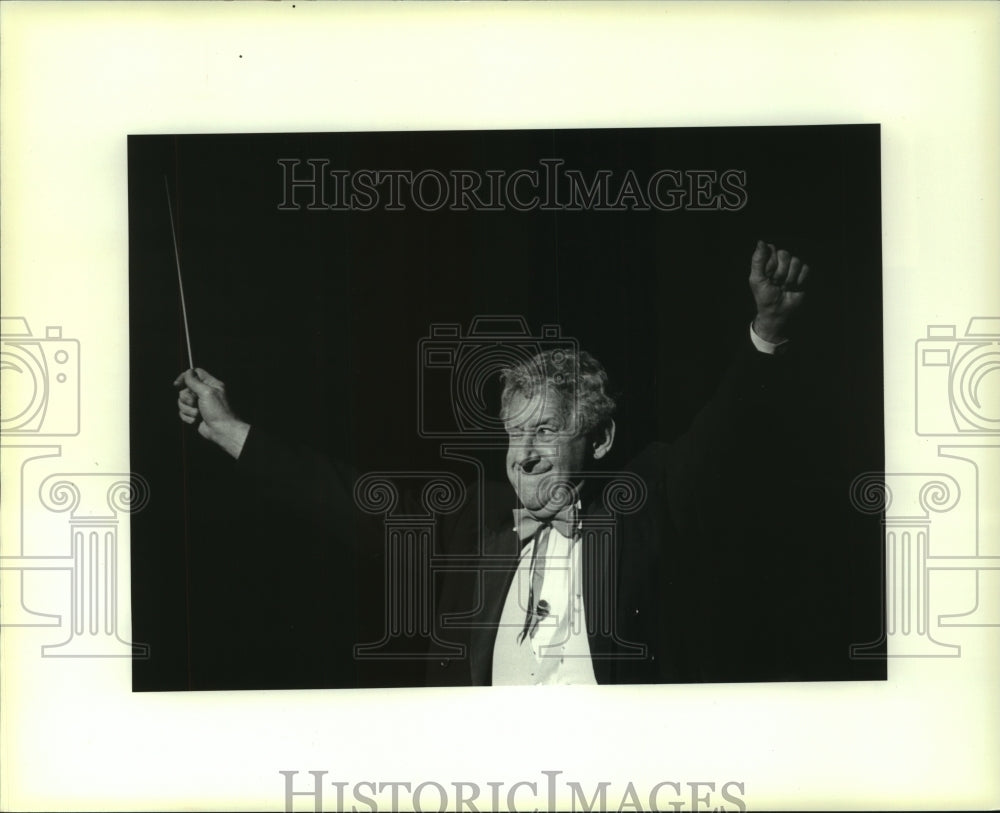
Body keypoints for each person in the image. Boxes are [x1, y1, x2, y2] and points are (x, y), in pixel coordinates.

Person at [175, 240, 812, 685]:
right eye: (514, 434)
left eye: (546, 430)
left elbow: (725, 438)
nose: (525, 456)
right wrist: (230, 430)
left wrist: (768, 339)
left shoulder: (648, 494)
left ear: (601, 439)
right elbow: (344, 497)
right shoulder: (472, 520)